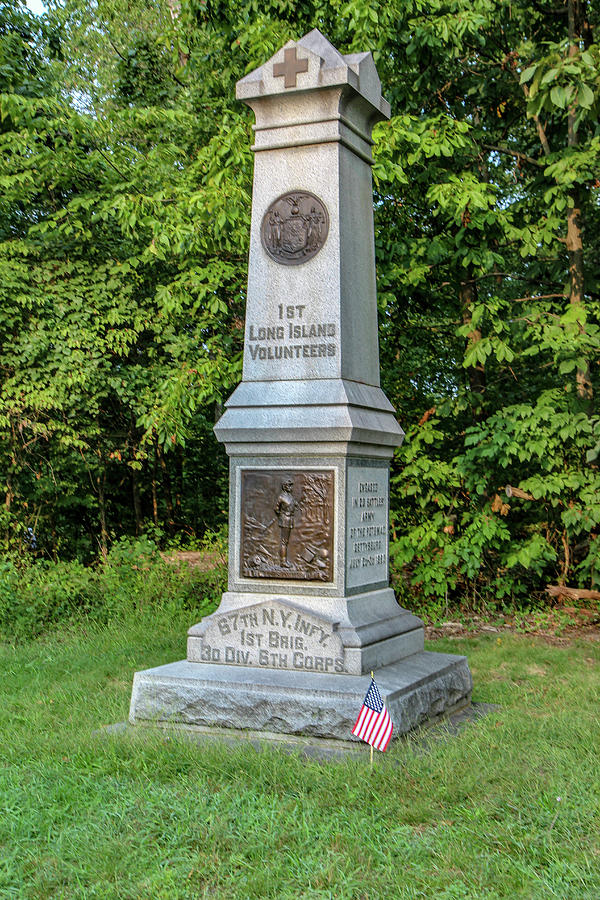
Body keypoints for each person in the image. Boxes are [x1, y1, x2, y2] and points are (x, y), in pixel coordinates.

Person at [274, 479, 296, 567]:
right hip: (285, 520)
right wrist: (281, 515)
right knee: (284, 541)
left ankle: (284, 561)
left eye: (291, 485)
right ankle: (283, 562)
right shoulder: (281, 497)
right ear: (284, 487)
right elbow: (276, 508)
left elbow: (294, 505)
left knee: (286, 541)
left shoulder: (290, 497)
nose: (291, 487)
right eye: (289, 485)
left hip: (290, 519)